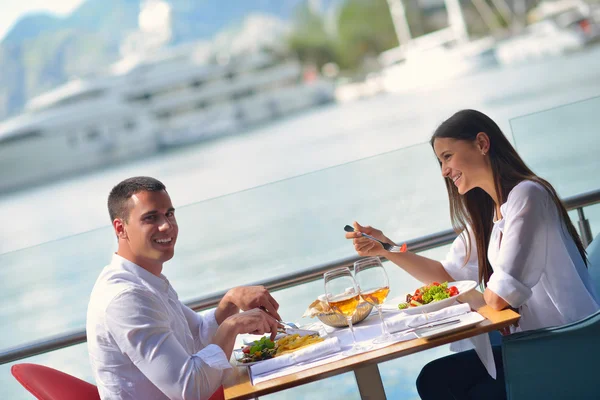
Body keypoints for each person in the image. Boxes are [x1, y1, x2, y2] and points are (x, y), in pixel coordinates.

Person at [345, 109, 599, 399]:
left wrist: (468, 297)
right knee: (436, 378)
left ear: (481, 144)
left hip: (566, 350)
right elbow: (446, 275)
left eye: (447, 157)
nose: (443, 171)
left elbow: (499, 297)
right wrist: (385, 248)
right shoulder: (491, 212)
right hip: (532, 345)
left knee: (439, 381)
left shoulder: (528, 196)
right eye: (440, 161)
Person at [87, 176, 282, 400]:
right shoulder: (126, 298)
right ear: (121, 228)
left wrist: (229, 303)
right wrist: (232, 326)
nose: (166, 226)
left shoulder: (145, 281)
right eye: (151, 218)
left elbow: (196, 337)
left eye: (169, 214)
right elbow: (190, 389)